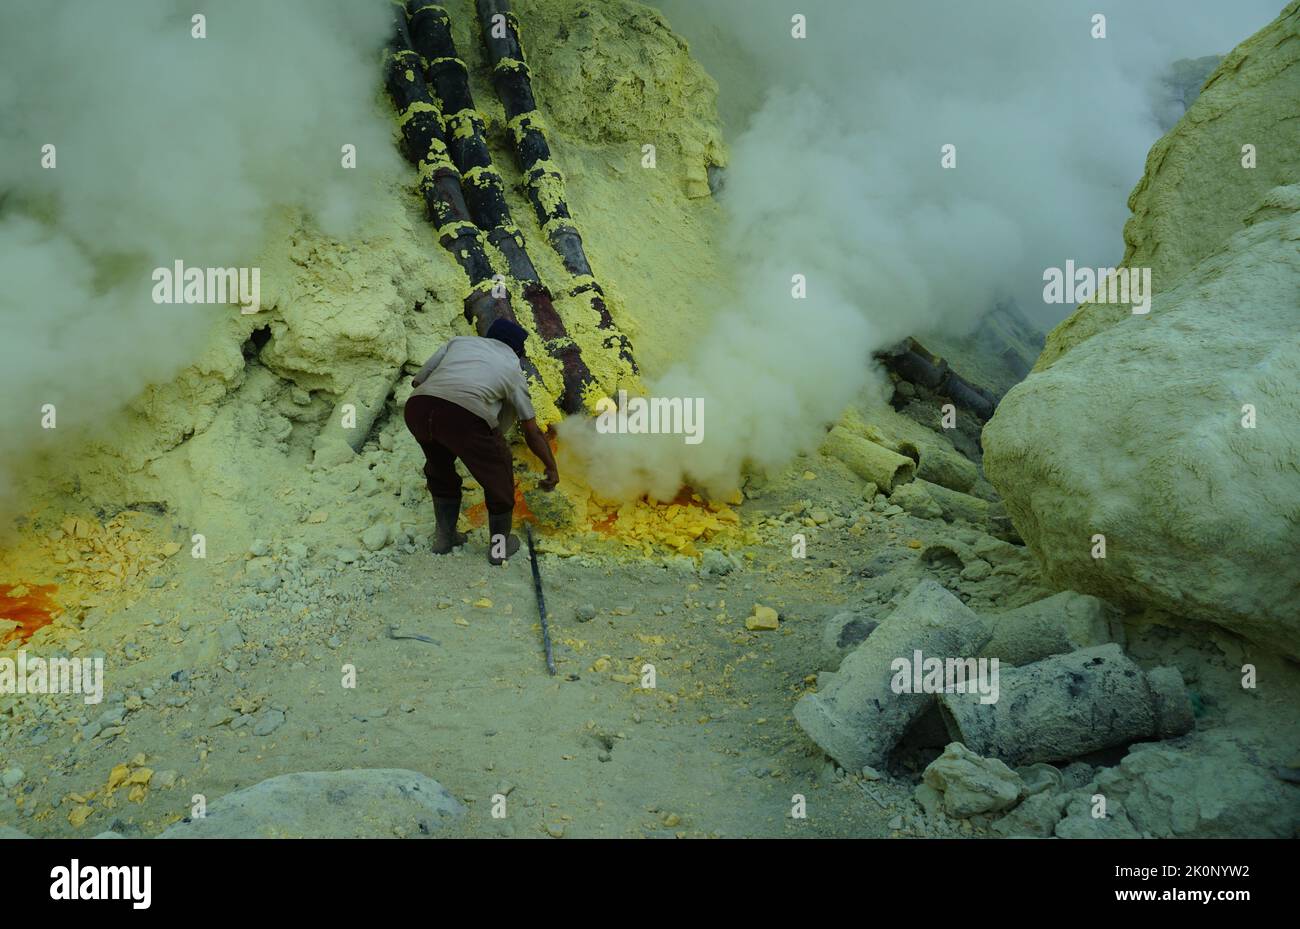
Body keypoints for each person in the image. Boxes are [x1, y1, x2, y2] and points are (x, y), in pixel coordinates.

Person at [403, 318, 559, 565]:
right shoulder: (512, 368)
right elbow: (531, 430)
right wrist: (551, 465)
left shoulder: (459, 343)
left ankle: (445, 538)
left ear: (489, 336)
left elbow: (418, 381)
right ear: (517, 350)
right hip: (464, 416)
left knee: (439, 468)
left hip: (418, 408)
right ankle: (499, 549)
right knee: (498, 476)